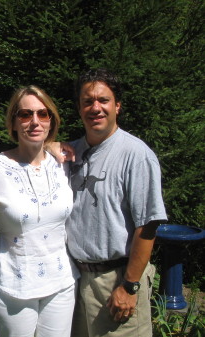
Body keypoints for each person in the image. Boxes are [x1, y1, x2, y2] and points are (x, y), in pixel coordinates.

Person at [66, 68, 167, 337]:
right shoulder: (71, 154)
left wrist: (130, 286)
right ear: (79, 108)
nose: (95, 107)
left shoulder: (136, 155)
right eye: (88, 101)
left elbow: (148, 226)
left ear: (117, 106)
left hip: (116, 282)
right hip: (75, 280)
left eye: (103, 100)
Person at [0, 85, 79, 337]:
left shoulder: (62, 162)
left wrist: (51, 147)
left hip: (61, 284)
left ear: (51, 121)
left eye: (42, 114)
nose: (34, 121)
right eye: (25, 115)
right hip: (15, 287)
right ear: (13, 122)